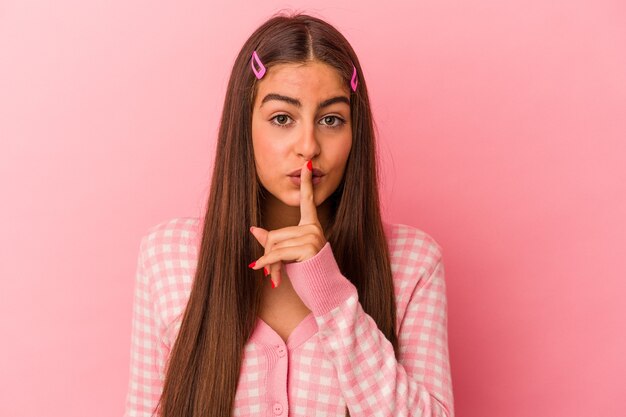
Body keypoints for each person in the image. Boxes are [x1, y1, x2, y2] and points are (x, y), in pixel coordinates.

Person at [123, 11, 454, 417]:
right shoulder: (167, 257)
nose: (308, 146)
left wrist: (328, 289)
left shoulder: (413, 262)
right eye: (282, 118)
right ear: (245, 125)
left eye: (331, 119)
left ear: (355, 133)